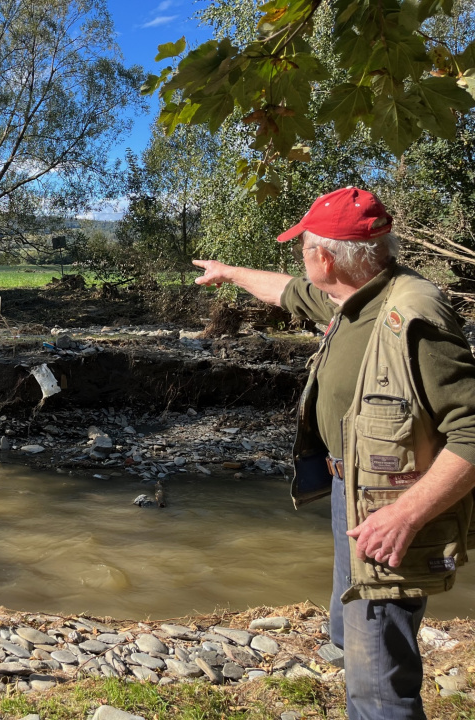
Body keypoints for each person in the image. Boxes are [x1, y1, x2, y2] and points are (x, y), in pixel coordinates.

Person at [193, 186, 475, 720]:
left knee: (378, 673)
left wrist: (405, 516)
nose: (300, 258)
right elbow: (289, 292)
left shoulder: (415, 316)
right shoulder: (357, 293)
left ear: (325, 256)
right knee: (354, 635)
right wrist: (230, 272)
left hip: (392, 511)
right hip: (357, 491)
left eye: (304, 247)